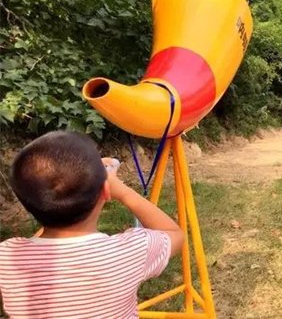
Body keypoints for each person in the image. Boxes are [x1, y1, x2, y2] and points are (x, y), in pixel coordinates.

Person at [0, 131, 184, 318]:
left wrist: (90, 174)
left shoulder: (7, 256)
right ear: (106, 190)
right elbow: (175, 234)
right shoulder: (130, 252)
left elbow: (49, 216)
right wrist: (123, 191)